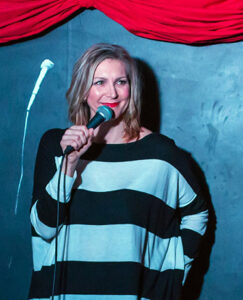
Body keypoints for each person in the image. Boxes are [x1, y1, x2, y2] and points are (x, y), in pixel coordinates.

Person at [29, 43, 208, 300]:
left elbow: (197, 213)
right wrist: (69, 166)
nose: (111, 93)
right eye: (99, 82)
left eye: (120, 82)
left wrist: (173, 272)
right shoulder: (57, 145)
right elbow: (44, 229)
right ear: (82, 91)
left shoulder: (160, 153)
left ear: (130, 89)